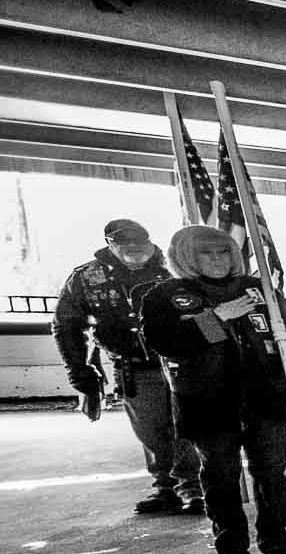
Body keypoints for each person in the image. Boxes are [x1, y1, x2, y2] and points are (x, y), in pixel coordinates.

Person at [139, 226, 286, 554]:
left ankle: (276, 543)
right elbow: (167, 343)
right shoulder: (164, 295)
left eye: (223, 253)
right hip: (210, 404)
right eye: (208, 254)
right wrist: (217, 318)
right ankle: (233, 551)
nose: (218, 260)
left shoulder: (258, 288)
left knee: (272, 477)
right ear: (187, 257)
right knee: (221, 479)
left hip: (266, 399)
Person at [52, 218, 202, 515]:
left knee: (185, 424)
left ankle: (193, 486)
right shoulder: (86, 277)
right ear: (110, 246)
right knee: (150, 429)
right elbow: (66, 325)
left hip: (181, 362)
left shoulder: (173, 267)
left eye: (141, 245)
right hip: (133, 365)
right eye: (126, 246)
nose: (135, 251)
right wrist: (79, 370)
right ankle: (165, 487)